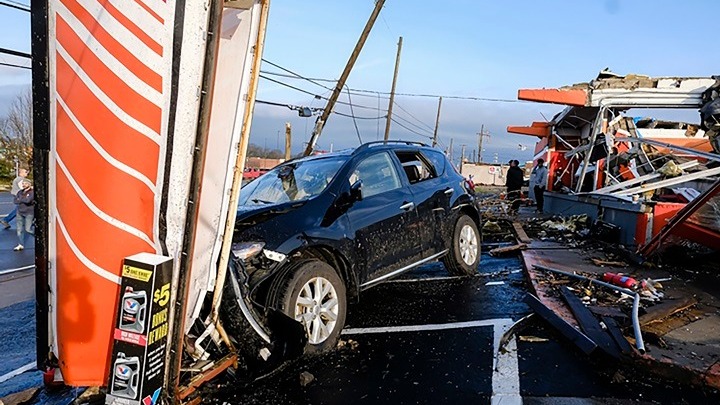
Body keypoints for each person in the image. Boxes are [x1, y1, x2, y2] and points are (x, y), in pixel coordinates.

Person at [13, 179, 34, 251]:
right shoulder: (20, 192)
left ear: (29, 184)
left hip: (29, 212)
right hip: (19, 212)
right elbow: (15, 200)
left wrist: (20, 199)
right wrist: (22, 199)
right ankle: (20, 244)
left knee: (28, 229)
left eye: (25, 183)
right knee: (19, 230)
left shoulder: (32, 192)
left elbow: (28, 201)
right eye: (23, 183)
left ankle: (38, 237)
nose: (23, 184)